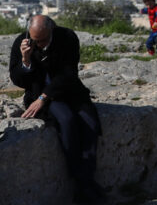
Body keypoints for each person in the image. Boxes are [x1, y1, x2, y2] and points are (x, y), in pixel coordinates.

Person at [8, 15, 104, 203]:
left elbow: (69, 73)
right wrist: (25, 60)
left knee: (90, 123)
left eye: (44, 40)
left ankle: (86, 179)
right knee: (66, 121)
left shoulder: (67, 37)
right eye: (37, 41)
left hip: (67, 91)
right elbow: (18, 79)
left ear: (51, 29)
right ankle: (83, 183)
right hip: (39, 94)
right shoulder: (22, 42)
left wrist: (44, 97)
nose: (40, 45)